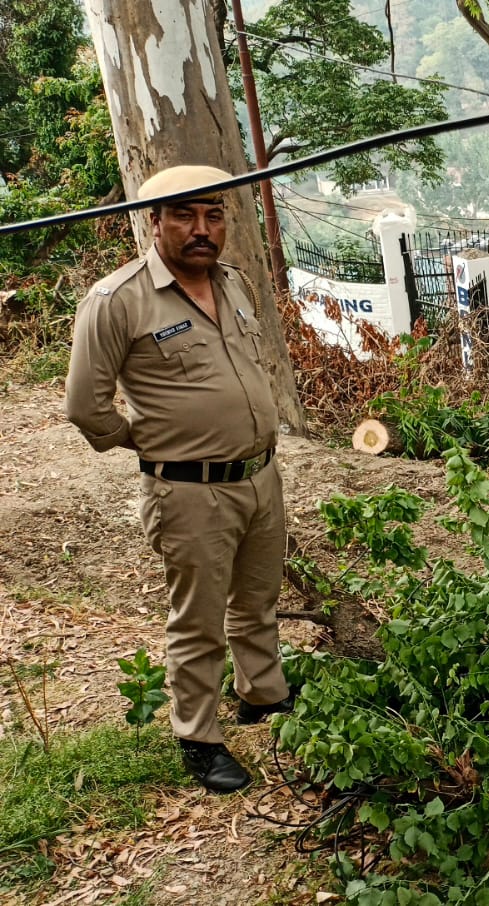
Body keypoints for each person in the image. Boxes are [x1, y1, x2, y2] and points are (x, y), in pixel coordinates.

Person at [65, 165, 293, 794]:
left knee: (257, 600)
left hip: (259, 475)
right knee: (197, 619)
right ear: (154, 221)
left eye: (213, 215)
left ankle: (263, 696)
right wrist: (150, 439)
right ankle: (199, 738)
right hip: (189, 492)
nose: (202, 230)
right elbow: (86, 407)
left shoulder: (235, 284)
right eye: (185, 216)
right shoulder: (118, 301)